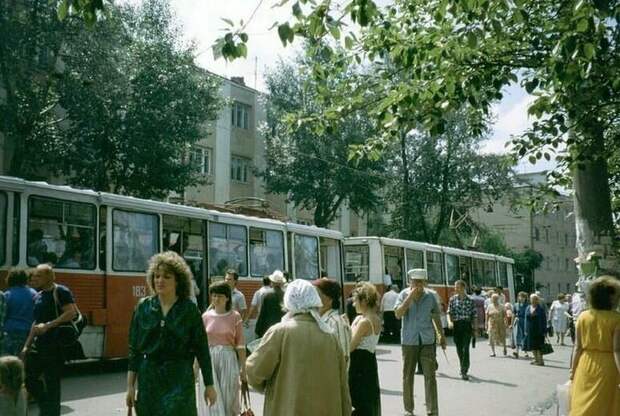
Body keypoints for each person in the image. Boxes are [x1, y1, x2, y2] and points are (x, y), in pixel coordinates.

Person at [125, 251, 216, 416]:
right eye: (157, 276)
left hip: (179, 380)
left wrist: (209, 385)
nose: (160, 280)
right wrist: (130, 386)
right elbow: (134, 350)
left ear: (177, 281)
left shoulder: (189, 310)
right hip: (149, 380)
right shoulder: (143, 307)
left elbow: (202, 350)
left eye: (166, 277)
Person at [245, 279, 351, 416]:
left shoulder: (280, 331)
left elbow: (254, 371)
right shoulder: (330, 336)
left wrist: (267, 387)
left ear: (288, 302)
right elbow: (343, 384)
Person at [21, 264, 78, 416]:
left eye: (39, 275)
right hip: (39, 344)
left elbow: (71, 313)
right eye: (34, 275)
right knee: (28, 377)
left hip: (55, 344)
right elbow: (35, 321)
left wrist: (48, 326)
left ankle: (50, 412)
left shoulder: (60, 291)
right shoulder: (38, 295)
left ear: (49, 276)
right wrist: (27, 345)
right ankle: (46, 406)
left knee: (52, 383)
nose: (34, 278)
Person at [394, 269, 446, 416]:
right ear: (410, 282)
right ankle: (408, 410)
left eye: (420, 282)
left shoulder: (430, 297)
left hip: (427, 340)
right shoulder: (403, 294)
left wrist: (441, 336)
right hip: (409, 340)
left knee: (430, 376)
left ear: (424, 282)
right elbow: (398, 314)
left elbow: (436, 316)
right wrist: (409, 298)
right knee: (407, 376)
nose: (417, 284)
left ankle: (432, 410)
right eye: (414, 281)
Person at [570, 275, 620, 416]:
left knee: (582, 403)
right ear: (612, 298)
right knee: (604, 405)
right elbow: (617, 350)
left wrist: (572, 370)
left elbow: (577, 347)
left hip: (585, 364)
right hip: (608, 366)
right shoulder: (616, 319)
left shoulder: (583, 316)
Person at [198, 281, 246, 416]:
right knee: (211, 399)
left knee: (228, 397)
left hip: (228, 358)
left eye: (219, 296)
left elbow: (240, 345)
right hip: (209, 359)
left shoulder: (235, 316)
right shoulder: (205, 317)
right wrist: (195, 367)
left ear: (227, 298)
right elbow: (200, 345)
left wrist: (243, 368)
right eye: (213, 295)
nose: (216, 299)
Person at [349, 282, 381, 416]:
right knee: (368, 400)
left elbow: (350, 346)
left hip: (358, 364)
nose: (353, 304)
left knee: (358, 401)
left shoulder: (364, 322)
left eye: (355, 300)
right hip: (369, 363)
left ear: (364, 301)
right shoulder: (376, 319)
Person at [313, 278, 352, 365]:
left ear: (330, 299)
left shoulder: (336, 322)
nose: (313, 297)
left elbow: (344, 356)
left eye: (317, 294)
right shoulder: (318, 319)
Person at [1, 269, 37, 356]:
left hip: (9, 330)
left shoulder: (8, 294)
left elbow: (4, 314)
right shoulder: (33, 293)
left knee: (7, 360)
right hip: (28, 332)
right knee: (23, 358)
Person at [447, 280, 477, 380]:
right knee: (459, 348)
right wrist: (450, 322)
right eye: (455, 287)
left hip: (467, 325)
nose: (455, 288)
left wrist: (475, 329)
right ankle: (462, 366)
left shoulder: (471, 300)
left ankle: (464, 370)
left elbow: (475, 315)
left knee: (465, 348)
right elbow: (449, 312)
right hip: (457, 325)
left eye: (457, 287)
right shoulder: (452, 299)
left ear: (463, 288)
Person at [254, 270, 286, 338]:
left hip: (268, 329)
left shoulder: (267, 295)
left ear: (272, 282)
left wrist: (258, 330)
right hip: (282, 329)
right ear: (281, 283)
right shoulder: (285, 295)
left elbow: (262, 314)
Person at [523, 293, 547, 366]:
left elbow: (544, 320)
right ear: (530, 300)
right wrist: (525, 329)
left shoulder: (540, 309)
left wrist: (544, 331)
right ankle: (536, 359)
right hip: (530, 330)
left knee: (539, 346)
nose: (533, 301)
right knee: (532, 345)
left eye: (535, 299)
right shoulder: (528, 308)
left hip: (539, 330)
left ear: (537, 300)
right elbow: (525, 319)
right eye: (532, 299)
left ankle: (541, 361)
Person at [512, 292, 529, 359]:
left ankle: (525, 352)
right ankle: (517, 352)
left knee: (524, 336)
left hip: (525, 322)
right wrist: (512, 323)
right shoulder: (516, 305)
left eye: (522, 297)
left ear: (525, 298)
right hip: (517, 322)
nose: (521, 298)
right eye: (519, 296)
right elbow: (513, 314)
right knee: (517, 336)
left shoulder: (527, 305)